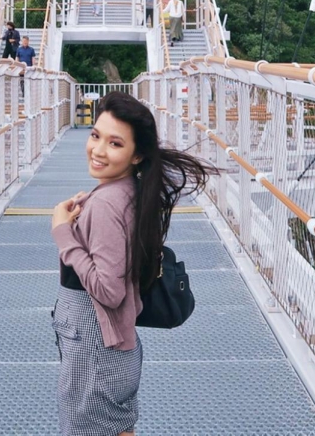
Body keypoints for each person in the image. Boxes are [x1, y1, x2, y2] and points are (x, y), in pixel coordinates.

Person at [51, 92, 213, 436]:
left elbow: (109, 291)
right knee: (119, 428)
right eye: (95, 136)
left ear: (136, 155)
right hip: (114, 354)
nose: (97, 150)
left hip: (95, 352)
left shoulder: (109, 204)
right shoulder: (131, 192)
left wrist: (63, 233)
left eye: (114, 144)